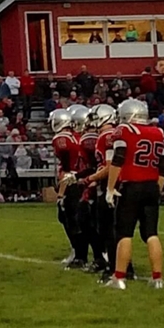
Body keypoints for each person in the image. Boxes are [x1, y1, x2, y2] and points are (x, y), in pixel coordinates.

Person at [104, 99, 164, 290]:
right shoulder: (158, 132)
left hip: (131, 186)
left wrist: (110, 188)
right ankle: (157, 279)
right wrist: (157, 190)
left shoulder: (125, 130)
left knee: (124, 233)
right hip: (152, 186)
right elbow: (162, 169)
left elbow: (118, 160)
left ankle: (119, 277)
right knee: (151, 233)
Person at [83, 104, 136, 283]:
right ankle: (125, 267)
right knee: (115, 230)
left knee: (110, 231)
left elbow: (110, 166)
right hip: (118, 185)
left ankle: (117, 268)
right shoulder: (111, 134)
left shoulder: (107, 136)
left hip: (112, 186)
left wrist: (91, 178)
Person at [49, 108, 86, 268]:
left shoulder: (62, 139)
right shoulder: (78, 137)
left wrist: (61, 192)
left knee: (69, 217)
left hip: (73, 180)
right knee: (82, 219)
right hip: (85, 178)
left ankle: (79, 253)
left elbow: (68, 167)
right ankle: (88, 253)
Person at [72, 106, 107, 274]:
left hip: (99, 183)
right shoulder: (96, 137)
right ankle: (101, 257)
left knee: (93, 223)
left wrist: (89, 179)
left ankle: (103, 258)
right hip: (95, 181)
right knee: (88, 220)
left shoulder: (91, 139)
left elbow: (98, 165)